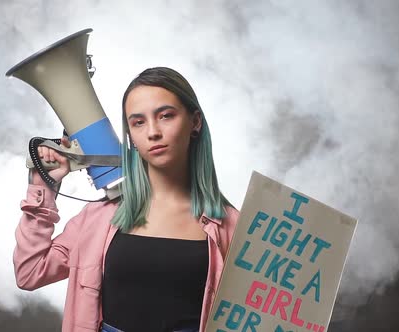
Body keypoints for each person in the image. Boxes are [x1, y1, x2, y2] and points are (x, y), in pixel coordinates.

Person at [14, 67, 239, 332]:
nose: (153, 132)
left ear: (195, 122)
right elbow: (30, 272)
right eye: (138, 122)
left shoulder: (232, 227)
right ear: (130, 134)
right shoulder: (97, 220)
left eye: (166, 116)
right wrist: (43, 188)